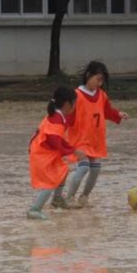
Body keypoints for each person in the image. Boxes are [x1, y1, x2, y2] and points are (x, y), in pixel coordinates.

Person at [65, 61, 129, 208]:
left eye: (102, 81)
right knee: (84, 167)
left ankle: (84, 197)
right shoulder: (76, 95)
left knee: (96, 169)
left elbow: (107, 111)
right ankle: (68, 198)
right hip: (80, 139)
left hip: (96, 140)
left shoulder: (102, 95)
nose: (99, 83)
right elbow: (67, 115)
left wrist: (118, 114)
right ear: (88, 75)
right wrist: (59, 132)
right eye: (98, 79)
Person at [28, 87, 89, 220]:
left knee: (63, 170)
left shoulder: (58, 116)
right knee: (51, 181)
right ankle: (34, 209)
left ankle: (57, 200)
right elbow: (56, 142)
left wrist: (72, 150)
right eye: (75, 103)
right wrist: (73, 151)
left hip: (44, 151)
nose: (75, 106)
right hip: (42, 154)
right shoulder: (57, 118)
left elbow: (58, 140)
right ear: (68, 104)